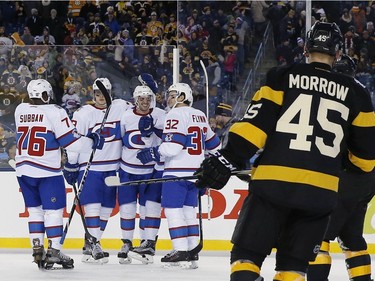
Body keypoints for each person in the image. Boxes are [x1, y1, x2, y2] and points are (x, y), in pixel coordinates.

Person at [194, 22, 375, 281]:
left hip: (273, 185)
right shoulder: (358, 93)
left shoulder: (282, 76)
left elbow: (253, 129)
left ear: (305, 50)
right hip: (320, 194)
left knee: (246, 259)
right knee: (292, 269)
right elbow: (366, 160)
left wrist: (227, 158)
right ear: (337, 53)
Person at [15, 79, 104, 270]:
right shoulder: (55, 112)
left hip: (23, 170)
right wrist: (91, 141)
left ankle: (37, 247)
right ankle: (54, 251)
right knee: (53, 212)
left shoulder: (20, 110)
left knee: (35, 211)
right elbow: (71, 142)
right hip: (47, 170)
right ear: (46, 95)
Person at [136, 83, 221, 268]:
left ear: (183, 96)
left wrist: (153, 153)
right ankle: (192, 254)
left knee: (174, 211)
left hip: (176, 171)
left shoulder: (174, 114)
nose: (169, 98)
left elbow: (173, 147)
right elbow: (215, 146)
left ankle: (180, 250)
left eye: (174, 95)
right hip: (196, 173)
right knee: (189, 212)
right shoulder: (200, 114)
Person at [307, 55, 375, 281]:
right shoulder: (361, 93)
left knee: (318, 236)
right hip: (366, 178)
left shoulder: (328, 94)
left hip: (342, 175)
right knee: (352, 237)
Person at [63, 77, 132, 264]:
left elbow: (140, 108)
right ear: (93, 94)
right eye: (97, 94)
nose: (101, 97)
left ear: (111, 93)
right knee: (92, 205)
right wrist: (71, 164)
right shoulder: (84, 113)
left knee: (108, 207)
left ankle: (92, 243)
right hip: (90, 167)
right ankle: (94, 244)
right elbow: (74, 140)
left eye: (105, 94)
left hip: (112, 168)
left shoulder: (120, 106)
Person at [117, 84, 165, 264]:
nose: (145, 103)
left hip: (151, 171)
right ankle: (127, 243)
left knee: (149, 208)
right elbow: (120, 140)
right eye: (141, 99)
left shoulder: (160, 115)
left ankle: (147, 243)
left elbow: (167, 138)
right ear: (135, 100)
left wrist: (155, 130)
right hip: (128, 169)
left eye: (148, 99)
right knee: (127, 208)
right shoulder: (126, 115)